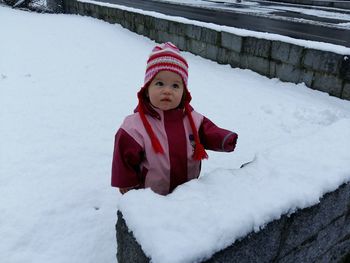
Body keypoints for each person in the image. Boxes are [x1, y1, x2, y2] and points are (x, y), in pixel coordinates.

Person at [111, 42, 238, 195]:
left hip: (188, 192)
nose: (167, 91)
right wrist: (125, 182)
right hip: (152, 196)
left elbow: (208, 132)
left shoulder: (193, 119)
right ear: (146, 90)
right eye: (159, 83)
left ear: (184, 92)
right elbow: (124, 157)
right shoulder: (134, 127)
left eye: (175, 86)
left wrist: (224, 139)